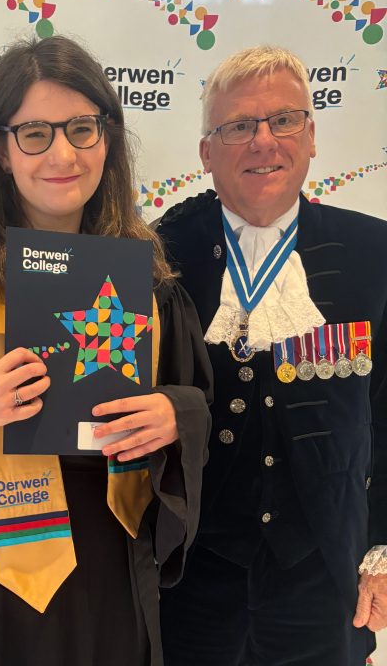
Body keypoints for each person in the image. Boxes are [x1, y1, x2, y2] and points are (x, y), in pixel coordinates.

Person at [0, 36, 212, 666]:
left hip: (111, 570)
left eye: (82, 129)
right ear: (1, 150)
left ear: (108, 139)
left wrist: (173, 415)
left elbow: (197, 404)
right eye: (34, 134)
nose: (63, 154)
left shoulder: (151, 286)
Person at [157, 45, 387, 665]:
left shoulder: (374, 252)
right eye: (238, 126)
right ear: (206, 152)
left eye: (283, 120)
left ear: (310, 136)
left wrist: (384, 549)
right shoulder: (157, 257)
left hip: (325, 579)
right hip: (185, 581)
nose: (264, 141)